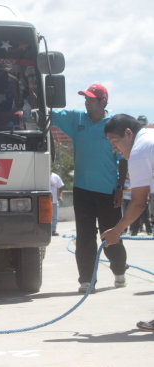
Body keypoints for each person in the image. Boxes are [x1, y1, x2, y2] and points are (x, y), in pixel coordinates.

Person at [53, 83, 128, 293]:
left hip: (108, 191)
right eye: (85, 99)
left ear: (103, 101)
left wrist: (121, 187)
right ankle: (87, 280)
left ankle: (120, 269)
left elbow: (122, 159)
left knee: (111, 236)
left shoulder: (113, 125)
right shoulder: (78, 119)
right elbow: (50, 112)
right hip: (82, 190)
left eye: (90, 99)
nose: (86, 102)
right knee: (84, 236)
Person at [101, 114, 154, 331]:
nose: (114, 149)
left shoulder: (140, 151)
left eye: (115, 142)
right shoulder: (149, 137)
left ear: (128, 134)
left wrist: (117, 230)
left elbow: (139, 203)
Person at [50, 172, 64, 236]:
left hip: (54, 201)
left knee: (54, 217)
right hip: (45, 200)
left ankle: (53, 230)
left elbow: (60, 187)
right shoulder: (43, 176)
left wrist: (60, 196)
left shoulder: (56, 176)